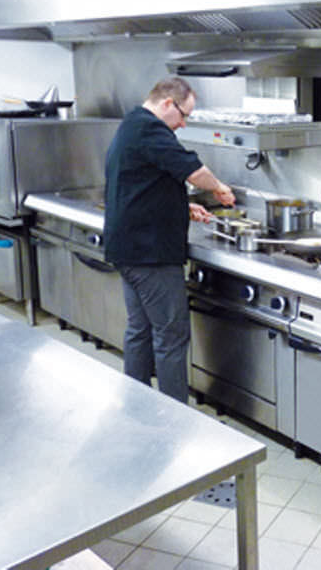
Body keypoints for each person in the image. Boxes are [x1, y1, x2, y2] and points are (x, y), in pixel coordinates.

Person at [103, 76, 235, 402]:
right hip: (150, 254)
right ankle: (176, 416)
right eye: (183, 115)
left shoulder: (133, 123)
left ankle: (137, 404)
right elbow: (193, 171)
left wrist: (182, 205)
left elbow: (142, 182)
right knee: (171, 336)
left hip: (128, 247)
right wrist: (220, 188)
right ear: (166, 103)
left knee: (141, 330)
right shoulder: (150, 128)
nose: (183, 124)